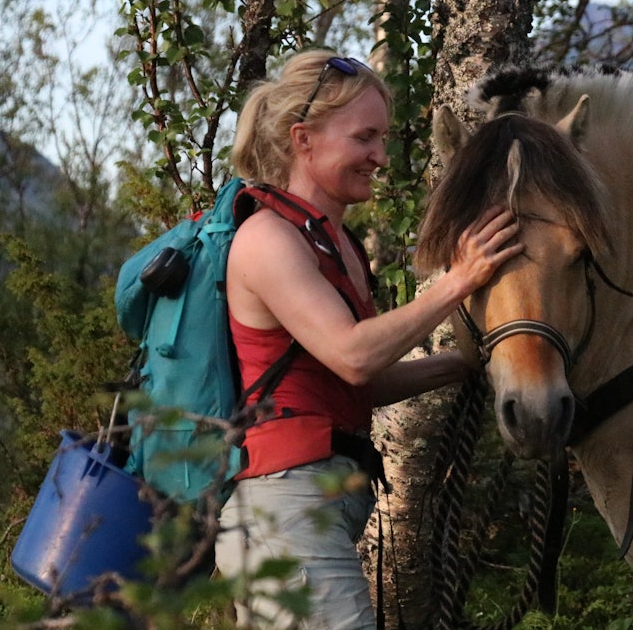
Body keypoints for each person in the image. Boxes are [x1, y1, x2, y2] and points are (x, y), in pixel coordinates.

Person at [214, 49, 523, 630]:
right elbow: (354, 355)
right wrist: (459, 280)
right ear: (302, 139)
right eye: (365, 138)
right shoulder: (268, 239)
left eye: (381, 138)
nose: (380, 156)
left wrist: (472, 361)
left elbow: (364, 382)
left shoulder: (336, 244)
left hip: (310, 507)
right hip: (285, 509)